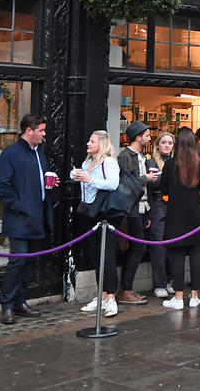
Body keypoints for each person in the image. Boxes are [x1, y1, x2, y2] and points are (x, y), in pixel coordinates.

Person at [0, 113, 53, 325]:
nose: (44, 134)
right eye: (42, 130)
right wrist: (19, 205)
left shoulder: (39, 154)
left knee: (29, 262)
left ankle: (20, 301)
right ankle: (7, 305)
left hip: (37, 216)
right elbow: (1, 185)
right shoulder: (11, 153)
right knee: (17, 261)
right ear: (30, 131)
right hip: (19, 218)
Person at [160, 128, 200, 309]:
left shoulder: (171, 164)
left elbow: (163, 189)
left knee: (178, 256)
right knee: (197, 255)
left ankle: (179, 297)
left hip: (176, 215)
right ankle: (195, 296)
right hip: (197, 215)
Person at [73, 130, 121, 317]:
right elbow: (86, 185)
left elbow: (113, 184)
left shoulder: (108, 162)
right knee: (95, 255)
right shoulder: (87, 162)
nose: (87, 143)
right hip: (88, 212)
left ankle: (111, 298)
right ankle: (101, 296)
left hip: (104, 214)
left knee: (107, 256)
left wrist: (89, 179)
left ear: (101, 144)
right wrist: (77, 176)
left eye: (91, 141)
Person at [115, 120, 158, 305]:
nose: (149, 138)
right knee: (137, 248)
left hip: (141, 209)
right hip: (131, 211)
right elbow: (124, 181)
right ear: (138, 137)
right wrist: (145, 178)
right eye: (146, 135)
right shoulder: (125, 156)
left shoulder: (141, 157)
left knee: (138, 248)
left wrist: (147, 212)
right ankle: (125, 289)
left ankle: (127, 288)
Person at [146, 131, 174, 298]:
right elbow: (154, 183)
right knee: (158, 244)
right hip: (157, 204)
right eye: (163, 142)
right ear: (157, 145)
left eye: (170, 143)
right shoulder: (151, 161)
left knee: (172, 244)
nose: (167, 145)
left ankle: (170, 280)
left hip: (173, 205)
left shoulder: (174, 161)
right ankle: (159, 283)